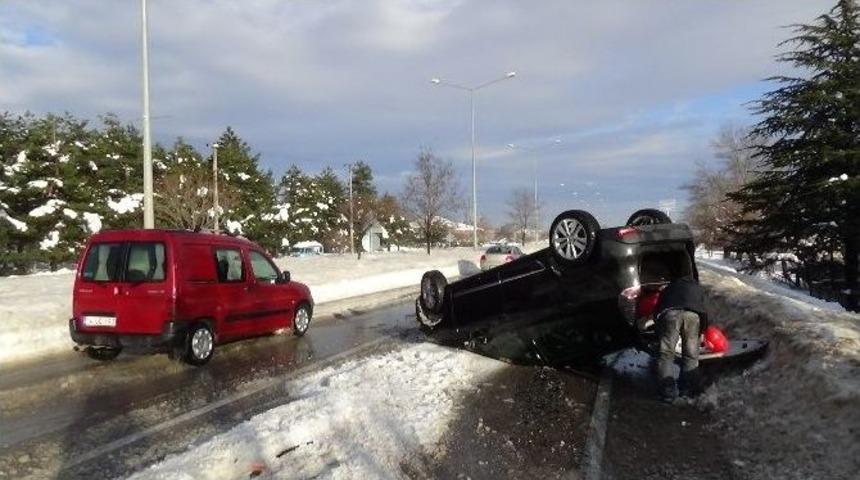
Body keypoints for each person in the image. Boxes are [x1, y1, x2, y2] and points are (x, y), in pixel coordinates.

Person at [654, 275, 709, 403]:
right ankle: (688, 390)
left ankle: (667, 390)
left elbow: (657, 310)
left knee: (666, 353)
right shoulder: (698, 288)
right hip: (693, 316)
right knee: (691, 354)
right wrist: (702, 331)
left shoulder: (669, 288)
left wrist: (659, 330)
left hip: (670, 315)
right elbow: (704, 311)